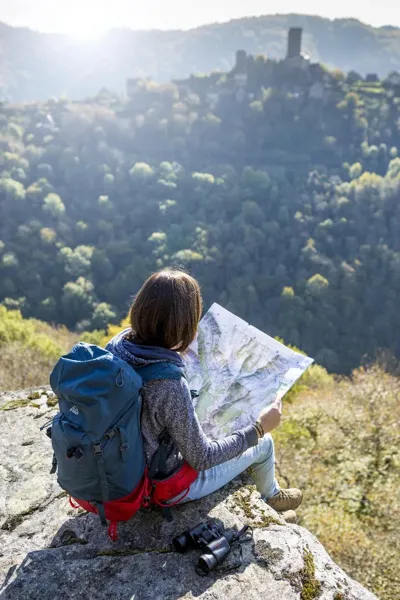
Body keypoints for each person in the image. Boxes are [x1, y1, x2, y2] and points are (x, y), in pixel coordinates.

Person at [107, 268, 302, 522]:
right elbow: (202, 457)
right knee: (264, 444)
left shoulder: (117, 346)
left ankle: (272, 499)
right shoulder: (168, 384)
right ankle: (271, 501)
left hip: (117, 468)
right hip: (162, 484)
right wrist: (259, 428)